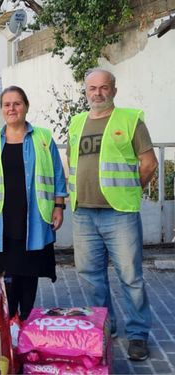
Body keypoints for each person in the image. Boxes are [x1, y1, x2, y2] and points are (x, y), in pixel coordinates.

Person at [67, 68, 157, 361]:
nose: (98, 93)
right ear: (86, 92)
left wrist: (130, 189)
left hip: (119, 213)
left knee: (130, 276)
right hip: (84, 213)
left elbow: (149, 163)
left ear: (114, 91)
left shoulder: (130, 120)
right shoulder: (77, 122)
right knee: (90, 276)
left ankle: (138, 335)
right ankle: (105, 326)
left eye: (104, 87)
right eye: (92, 88)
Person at [0, 86, 67, 321]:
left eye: (17, 103)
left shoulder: (43, 137)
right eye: (7, 104)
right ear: (2, 109)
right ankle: (8, 317)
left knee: (29, 270)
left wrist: (58, 206)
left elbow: (57, 173)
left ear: (26, 106)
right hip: (1, 217)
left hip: (34, 216)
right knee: (6, 271)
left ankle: (24, 317)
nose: (12, 108)